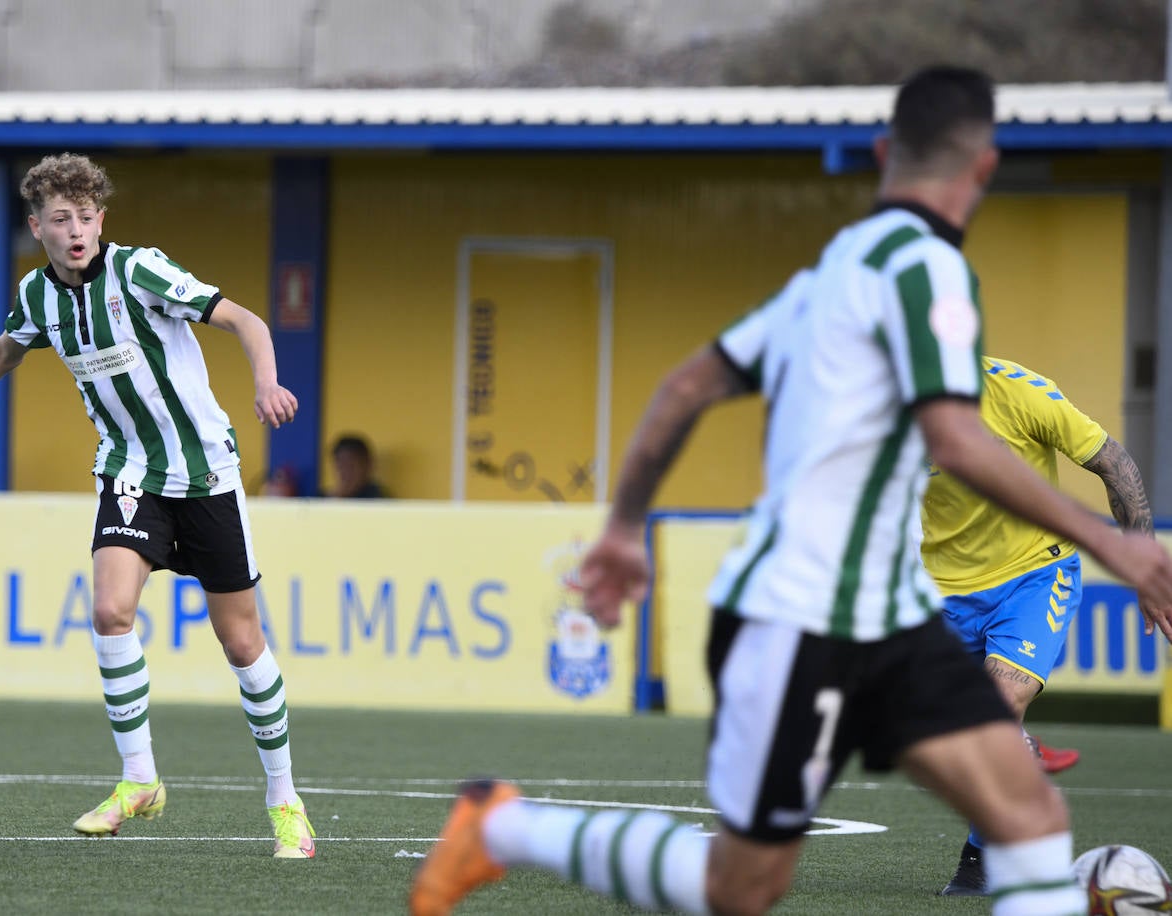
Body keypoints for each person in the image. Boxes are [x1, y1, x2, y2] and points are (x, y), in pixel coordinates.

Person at [409, 65, 1172, 916]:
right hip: (807, 617)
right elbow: (955, 439)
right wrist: (1117, 543)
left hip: (877, 612)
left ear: (882, 152)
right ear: (985, 169)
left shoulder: (823, 280)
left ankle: (496, 828)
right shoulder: (933, 271)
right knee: (744, 884)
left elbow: (685, 388)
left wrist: (625, 525)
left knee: (1023, 813)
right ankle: (500, 829)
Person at [0, 153, 316, 857]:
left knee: (241, 643)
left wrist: (266, 382)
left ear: (100, 220)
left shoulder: (139, 270)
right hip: (130, 472)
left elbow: (246, 320)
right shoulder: (38, 296)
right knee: (111, 609)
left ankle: (284, 799)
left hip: (206, 474)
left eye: (86, 217)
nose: (75, 229)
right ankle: (138, 779)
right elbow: (5, 349)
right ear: (37, 227)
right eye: (61, 219)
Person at [926, 354, 1154, 896]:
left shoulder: (1020, 392)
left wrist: (1143, 564)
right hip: (941, 589)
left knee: (1001, 704)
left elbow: (1113, 462)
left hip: (1035, 574)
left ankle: (981, 862)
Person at [326, 433, 387, 498]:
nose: (345, 472)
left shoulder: (378, 498)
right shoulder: (325, 497)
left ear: (367, 465)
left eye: (350, 466)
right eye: (340, 466)